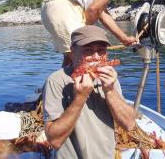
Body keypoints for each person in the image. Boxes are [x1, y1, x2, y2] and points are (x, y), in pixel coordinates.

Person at [43, 25, 137, 159]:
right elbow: (55, 141)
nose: (96, 56)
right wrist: (80, 97)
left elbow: (129, 125)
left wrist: (110, 89)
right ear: (73, 52)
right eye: (88, 50)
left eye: (101, 50)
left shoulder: (109, 79)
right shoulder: (57, 81)